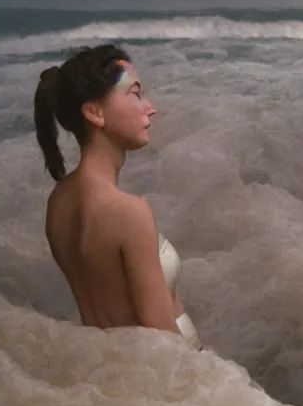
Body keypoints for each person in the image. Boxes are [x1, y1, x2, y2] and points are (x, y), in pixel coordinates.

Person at [33, 44, 202, 350]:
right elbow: (166, 343)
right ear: (94, 112)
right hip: (171, 382)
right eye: (135, 93)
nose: (151, 108)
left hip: (119, 374)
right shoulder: (128, 212)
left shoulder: (58, 201)